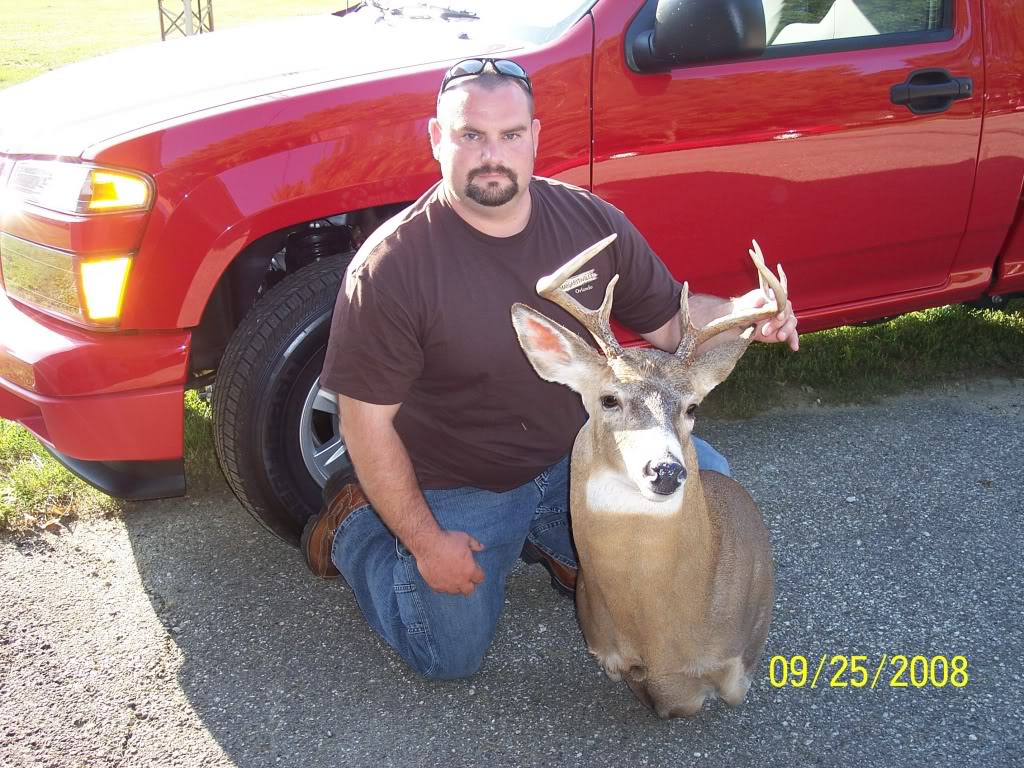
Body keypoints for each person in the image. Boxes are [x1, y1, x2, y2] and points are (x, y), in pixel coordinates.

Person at [302, 58, 799, 680]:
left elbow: (672, 325)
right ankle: (358, 527)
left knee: (706, 487)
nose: (493, 155)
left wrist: (742, 313)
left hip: (576, 453)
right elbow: (364, 425)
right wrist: (427, 543)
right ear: (436, 139)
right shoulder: (391, 268)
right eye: (470, 135)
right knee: (448, 653)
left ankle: (548, 534)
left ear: (535, 137)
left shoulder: (590, 223)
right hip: (461, 481)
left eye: (510, 135)